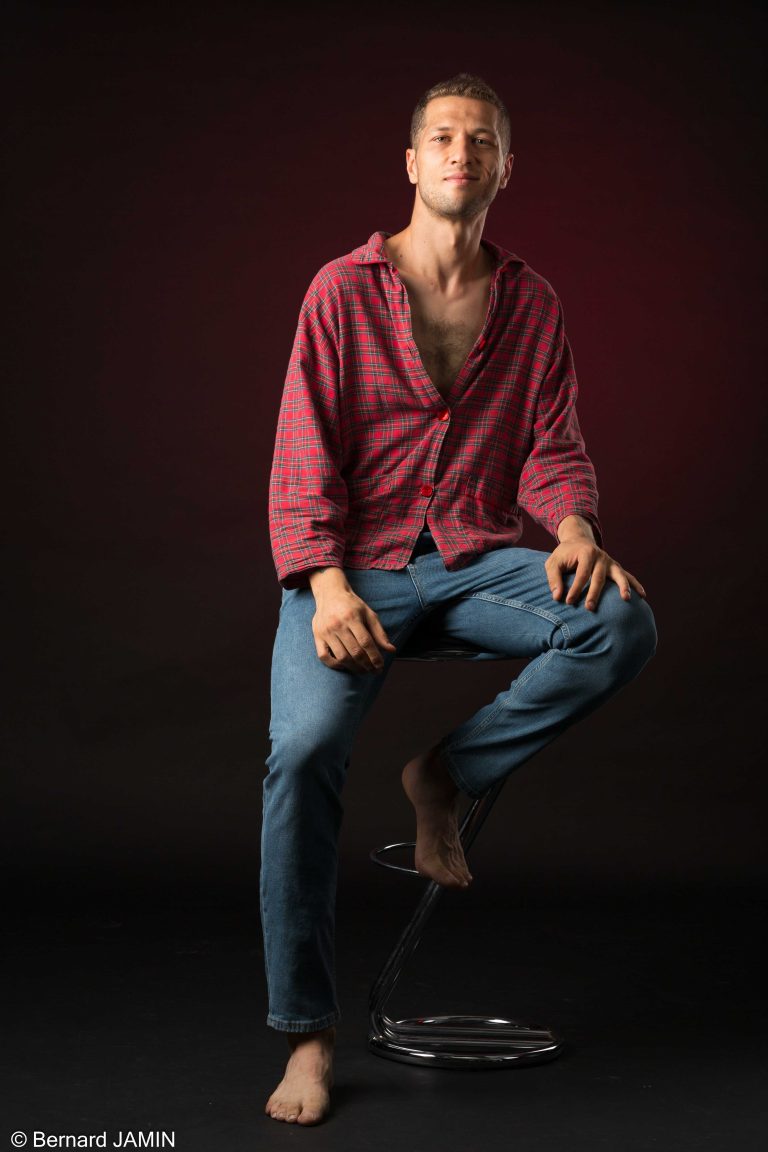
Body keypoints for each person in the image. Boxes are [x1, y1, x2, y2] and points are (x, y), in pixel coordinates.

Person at [262, 73, 657, 1125]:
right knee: (302, 754)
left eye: (480, 141)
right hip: (351, 569)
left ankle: (445, 772)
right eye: (441, 137)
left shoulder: (533, 302)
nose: (460, 153)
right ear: (411, 161)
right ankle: (307, 1034)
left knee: (619, 620)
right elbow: (302, 456)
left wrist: (575, 528)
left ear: (504, 168)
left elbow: (552, 448)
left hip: (476, 557)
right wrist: (326, 584)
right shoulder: (340, 291)